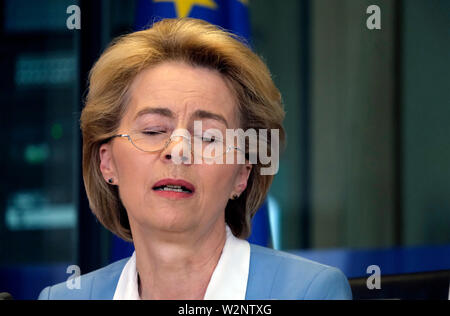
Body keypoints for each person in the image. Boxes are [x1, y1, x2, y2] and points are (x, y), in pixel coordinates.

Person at [38, 18, 352, 300]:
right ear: (107, 163)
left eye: (208, 137)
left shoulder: (309, 292)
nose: (178, 149)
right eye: (153, 130)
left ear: (242, 173)